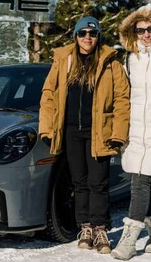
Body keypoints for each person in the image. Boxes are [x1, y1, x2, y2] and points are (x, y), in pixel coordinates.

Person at [38, 16, 131, 254]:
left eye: (92, 33)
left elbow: (122, 99)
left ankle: (101, 230)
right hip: (71, 131)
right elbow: (48, 94)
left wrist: (119, 133)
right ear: (76, 36)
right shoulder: (64, 60)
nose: (87, 37)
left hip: (99, 131)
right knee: (79, 183)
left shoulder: (111, 62)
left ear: (98, 36)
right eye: (82, 33)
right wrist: (47, 129)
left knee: (98, 183)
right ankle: (86, 228)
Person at [111, 5, 151, 260]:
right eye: (140, 30)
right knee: (145, 180)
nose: (146, 34)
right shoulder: (130, 59)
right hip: (136, 128)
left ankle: (129, 240)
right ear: (133, 32)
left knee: (141, 181)